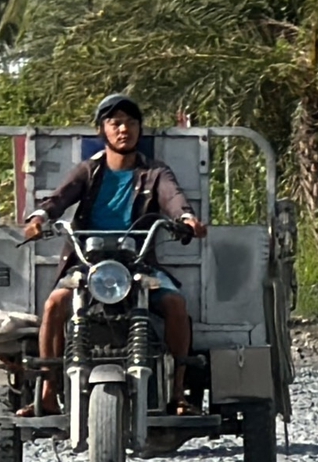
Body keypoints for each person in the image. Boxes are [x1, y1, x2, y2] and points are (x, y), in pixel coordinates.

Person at [19, 94, 206, 417]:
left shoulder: (155, 172)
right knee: (53, 304)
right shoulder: (88, 171)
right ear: (102, 130)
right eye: (115, 123)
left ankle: (177, 393)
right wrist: (38, 219)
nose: (124, 130)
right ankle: (49, 391)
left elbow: (173, 198)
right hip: (88, 263)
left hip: (138, 263)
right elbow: (57, 200)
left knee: (175, 304)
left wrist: (187, 219)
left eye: (131, 123)